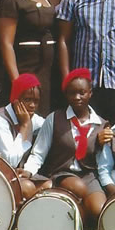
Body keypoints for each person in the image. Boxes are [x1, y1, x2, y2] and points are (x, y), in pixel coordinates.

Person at [21, 68, 107, 220]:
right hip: (61, 173)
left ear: (90, 93)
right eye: (72, 93)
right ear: (66, 95)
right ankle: (68, 204)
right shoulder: (54, 118)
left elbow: (103, 162)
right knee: (78, 187)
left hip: (88, 175)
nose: (77, 97)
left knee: (98, 210)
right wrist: (28, 171)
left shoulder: (101, 124)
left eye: (82, 92)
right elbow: (39, 152)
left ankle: (76, 211)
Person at [0, 0, 57, 116]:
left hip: (46, 75)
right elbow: (6, 43)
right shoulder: (12, 0)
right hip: (25, 71)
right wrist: (17, 82)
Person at [0, 73, 47, 200]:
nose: (32, 106)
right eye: (27, 100)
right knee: (27, 188)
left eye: (36, 101)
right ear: (16, 100)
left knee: (49, 186)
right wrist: (24, 126)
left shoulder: (34, 119)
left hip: (18, 174)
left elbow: (49, 129)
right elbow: (10, 161)